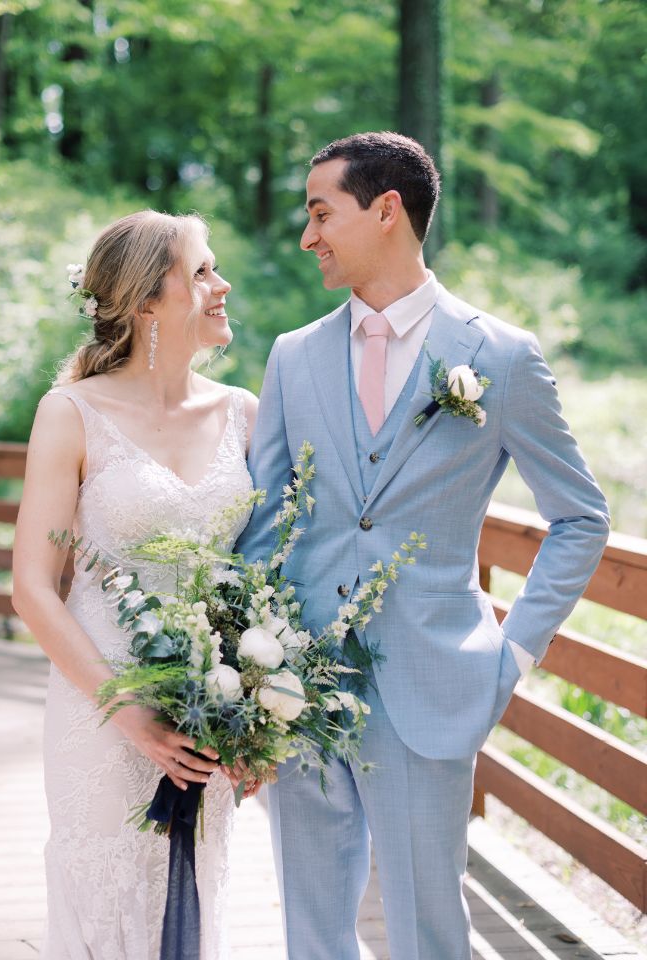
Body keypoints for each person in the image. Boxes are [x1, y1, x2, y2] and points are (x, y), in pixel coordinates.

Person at [236, 132, 610, 960]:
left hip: (435, 683)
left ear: (387, 209)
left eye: (321, 212)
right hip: (298, 687)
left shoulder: (502, 358)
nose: (308, 237)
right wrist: (246, 671)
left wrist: (511, 656)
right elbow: (264, 526)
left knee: (430, 931)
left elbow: (581, 517)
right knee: (313, 926)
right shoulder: (293, 357)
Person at [12, 209, 259, 960]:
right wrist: (127, 712)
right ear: (148, 302)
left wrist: (254, 712)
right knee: (108, 897)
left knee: (192, 898)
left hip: (206, 711)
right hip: (102, 703)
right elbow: (32, 586)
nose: (221, 286)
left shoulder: (244, 413)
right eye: (202, 272)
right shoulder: (72, 414)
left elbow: (264, 576)